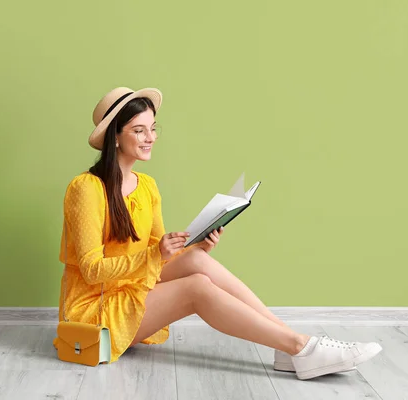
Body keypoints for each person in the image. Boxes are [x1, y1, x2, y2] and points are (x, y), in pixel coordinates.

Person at [53, 86, 382, 380]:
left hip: (131, 288)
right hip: (95, 312)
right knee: (196, 288)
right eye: (139, 130)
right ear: (114, 136)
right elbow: (92, 270)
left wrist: (197, 244)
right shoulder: (87, 188)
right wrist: (157, 253)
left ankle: (290, 347)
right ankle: (299, 346)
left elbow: (157, 253)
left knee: (196, 259)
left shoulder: (147, 186)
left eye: (153, 129)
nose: (150, 137)